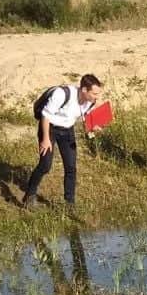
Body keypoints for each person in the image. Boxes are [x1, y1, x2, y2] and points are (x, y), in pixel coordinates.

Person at [23, 74, 102, 209]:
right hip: (49, 128)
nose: (97, 97)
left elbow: (85, 121)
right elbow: (45, 116)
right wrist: (45, 139)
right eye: (94, 93)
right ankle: (29, 196)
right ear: (84, 90)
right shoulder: (62, 94)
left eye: (98, 94)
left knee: (71, 168)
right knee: (45, 165)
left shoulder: (90, 101)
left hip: (67, 130)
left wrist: (92, 128)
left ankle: (69, 204)